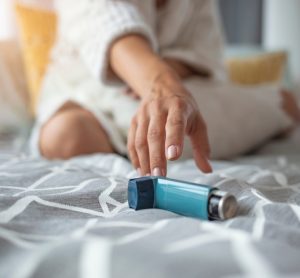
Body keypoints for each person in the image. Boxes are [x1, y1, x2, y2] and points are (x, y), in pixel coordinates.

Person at [30, 0, 300, 177]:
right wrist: (159, 82)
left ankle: (277, 103)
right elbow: (107, 23)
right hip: (86, 90)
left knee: (183, 118)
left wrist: (169, 72)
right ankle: (131, 139)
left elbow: (206, 55)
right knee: (65, 136)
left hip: (182, 87)